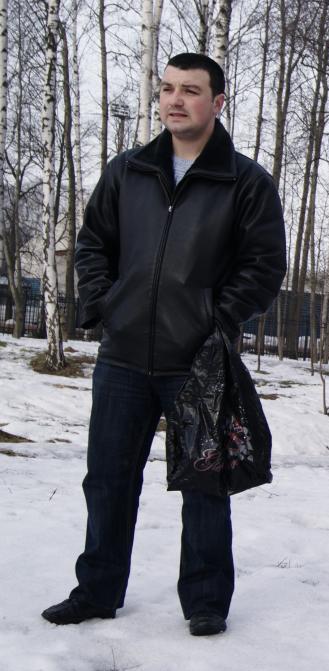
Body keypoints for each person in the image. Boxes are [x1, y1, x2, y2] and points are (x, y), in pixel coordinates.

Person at [41, 53, 287, 637]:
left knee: (205, 483)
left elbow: (263, 266)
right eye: (168, 89)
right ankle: (97, 590)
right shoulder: (128, 171)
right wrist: (106, 306)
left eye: (191, 90)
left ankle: (205, 600)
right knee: (107, 478)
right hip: (124, 357)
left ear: (217, 102)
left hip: (198, 361)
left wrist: (214, 322)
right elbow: (92, 245)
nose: (175, 100)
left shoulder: (245, 182)